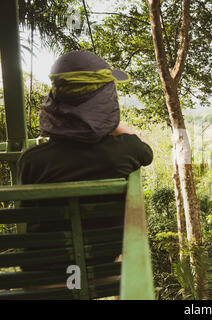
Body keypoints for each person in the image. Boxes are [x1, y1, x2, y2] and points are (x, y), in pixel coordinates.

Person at [16, 51, 153, 291]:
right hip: (99, 273)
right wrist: (109, 124)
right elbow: (143, 147)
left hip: (41, 277)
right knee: (123, 256)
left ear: (54, 104)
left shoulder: (31, 161)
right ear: (105, 103)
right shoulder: (123, 152)